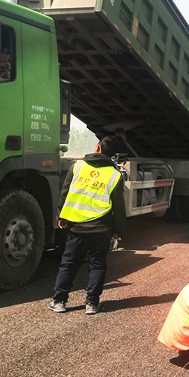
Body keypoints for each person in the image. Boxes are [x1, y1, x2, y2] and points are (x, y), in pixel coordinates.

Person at [49, 135, 126, 315]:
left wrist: (61, 215)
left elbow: (65, 192)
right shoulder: (115, 175)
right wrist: (117, 230)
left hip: (76, 227)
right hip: (101, 228)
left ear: (97, 148)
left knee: (69, 264)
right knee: (97, 265)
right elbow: (119, 206)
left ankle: (59, 301)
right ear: (113, 155)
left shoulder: (77, 166)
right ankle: (92, 304)